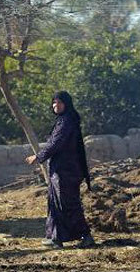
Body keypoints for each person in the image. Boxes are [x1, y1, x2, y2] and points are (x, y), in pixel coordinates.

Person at [25, 91, 95, 249]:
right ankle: (55, 237)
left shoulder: (67, 121)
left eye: (60, 102)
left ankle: (85, 236)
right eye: (54, 102)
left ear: (67, 104)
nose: (56, 105)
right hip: (61, 170)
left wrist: (38, 156)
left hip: (67, 171)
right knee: (56, 203)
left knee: (68, 204)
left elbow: (56, 143)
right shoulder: (63, 120)